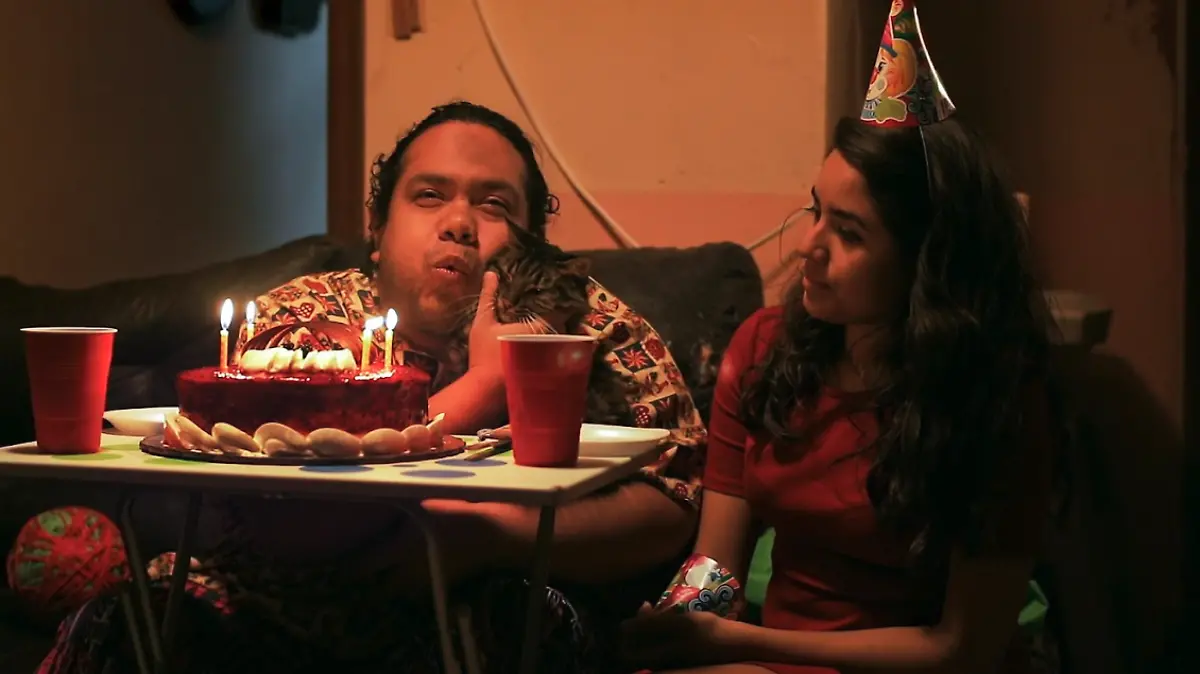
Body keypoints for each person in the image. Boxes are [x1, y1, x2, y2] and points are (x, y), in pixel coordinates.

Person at [38, 101, 707, 673]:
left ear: (533, 240)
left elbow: (677, 499)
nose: (460, 222)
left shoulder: (590, 325)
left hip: (497, 598)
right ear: (378, 232)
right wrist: (488, 382)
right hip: (269, 598)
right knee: (121, 624)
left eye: (494, 204)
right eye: (429, 195)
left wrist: (491, 534)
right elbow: (286, 509)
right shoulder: (300, 320)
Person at [619, 3, 1062, 673]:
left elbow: (961, 646)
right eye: (816, 210)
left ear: (926, 263)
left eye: (849, 233)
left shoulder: (993, 396)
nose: (809, 247)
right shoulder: (765, 350)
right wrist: (681, 623)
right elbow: (717, 563)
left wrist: (745, 644)